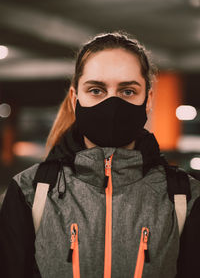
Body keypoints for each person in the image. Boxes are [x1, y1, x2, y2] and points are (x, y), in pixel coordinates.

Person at [0, 32, 200, 278]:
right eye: (96, 90)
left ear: (147, 100)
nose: (111, 104)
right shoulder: (30, 191)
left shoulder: (184, 196)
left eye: (127, 91)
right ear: (75, 99)